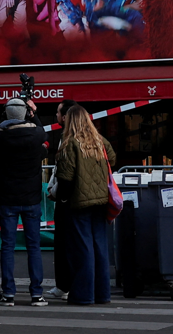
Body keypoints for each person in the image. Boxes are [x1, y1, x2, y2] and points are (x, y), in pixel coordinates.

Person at [53, 104, 113, 305]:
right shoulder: (99, 141)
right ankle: (102, 293)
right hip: (101, 201)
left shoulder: (70, 143)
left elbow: (66, 178)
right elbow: (111, 158)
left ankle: (83, 294)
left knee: (82, 249)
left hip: (79, 202)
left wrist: (61, 198)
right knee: (100, 248)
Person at [0, 97, 49, 305]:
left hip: (7, 197)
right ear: (25, 113)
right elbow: (43, 132)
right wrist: (34, 114)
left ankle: (8, 293)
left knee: (7, 246)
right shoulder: (36, 134)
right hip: (31, 197)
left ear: (6, 114)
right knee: (34, 246)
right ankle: (37, 293)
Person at [46, 100, 79, 300]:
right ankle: (66, 284)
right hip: (73, 197)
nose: (56, 115)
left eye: (58, 112)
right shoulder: (70, 137)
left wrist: (54, 191)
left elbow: (64, 172)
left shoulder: (68, 140)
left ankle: (64, 285)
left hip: (67, 199)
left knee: (65, 243)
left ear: (66, 117)